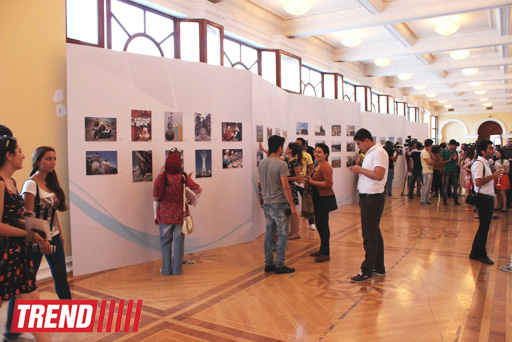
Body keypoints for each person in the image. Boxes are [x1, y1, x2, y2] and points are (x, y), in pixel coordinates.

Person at [0, 135, 52, 342]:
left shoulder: (12, 182)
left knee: (32, 299)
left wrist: (38, 233)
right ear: (8, 155)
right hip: (4, 252)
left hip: (18, 251)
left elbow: (14, 218)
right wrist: (29, 234)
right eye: (19, 151)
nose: (23, 156)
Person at [153, 149, 202, 275]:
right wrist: (193, 201)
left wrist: (155, 215)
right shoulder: (183, 177)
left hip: (164, 216)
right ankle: (176, 270)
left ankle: (165, 269)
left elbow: (155, 198)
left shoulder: (160, 178)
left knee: (165, 243)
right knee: (179, 244)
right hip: (180, 215)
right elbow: (198, 190)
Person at [349, 129, 388, 282]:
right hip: (367, 196)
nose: (359, 147)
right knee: (374, 233)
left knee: (369, 235)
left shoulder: (379, 152)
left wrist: (360, 170)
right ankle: (378, 266)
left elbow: (379, 175)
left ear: (366, 140)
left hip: (373, 197)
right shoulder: (371, 152)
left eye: (359, 144)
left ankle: (367, 270)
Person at [258, 135, 297, 274]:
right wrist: (292, 205)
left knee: (269, 234)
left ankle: (269, 264)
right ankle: (280, 264)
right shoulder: (281, 164)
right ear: (280, 147)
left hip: (267, 203)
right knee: (282, 234)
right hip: (279, 204)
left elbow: (261, 183)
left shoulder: (262, 163)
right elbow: (286, 187)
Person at [469, 140, 501, 265]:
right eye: (490, 148)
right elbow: (478, 182)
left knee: (484, 227)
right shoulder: (478, 164)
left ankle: (475, 252)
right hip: (483, 198)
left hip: (488, 197)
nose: (493, 151)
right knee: (484, 227)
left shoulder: (486, 163)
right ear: (483, 151)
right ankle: (481, 253)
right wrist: (493, 176)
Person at [307, 143, 336, 262]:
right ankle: (322, 249)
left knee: (323, 225)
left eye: (319, 152)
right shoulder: (316, 165)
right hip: (318, 198)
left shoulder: (326, 166)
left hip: (324, 199)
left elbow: (329, 184)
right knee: (319, 224)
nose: (316, 154)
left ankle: (326, 252)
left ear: (326, 154)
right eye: (315, 151)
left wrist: (313, 183)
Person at [295, 138, 316, 230]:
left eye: (298, 143)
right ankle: (294, 225)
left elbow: (311, 168)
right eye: (295, 143)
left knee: (307, 201)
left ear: (303, 146)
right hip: (293, 181)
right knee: (291, 202)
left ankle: (311, 222)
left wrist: (306, 177)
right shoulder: (291, 155)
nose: (296, 145)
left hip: (303, 182)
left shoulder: (307, 156)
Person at [285, 143, 302, 240]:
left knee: (294, 210)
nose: (285, 149)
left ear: (290, 150)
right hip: (288, 186)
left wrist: (287, 178)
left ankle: (296, 232)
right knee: (292, 210)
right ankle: (293, 231)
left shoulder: (294, 162)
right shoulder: (287, 160)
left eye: (287, 147)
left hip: (291, 187)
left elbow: (298, 178)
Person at [441, 139, 460, 205]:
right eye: (454, 146)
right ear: (450, 145)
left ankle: (456, 200)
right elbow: (441, 161)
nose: (455, 147)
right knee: (445, 185)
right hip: (447, 170)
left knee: (455, 186)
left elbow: (457, 162)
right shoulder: (444, 151)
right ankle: (444, 200)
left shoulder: (455, 152)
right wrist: (448, 160)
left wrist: (455, 159)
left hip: (454, 170)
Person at [493, 148, 510, 212]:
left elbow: (507, 171)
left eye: (497, 153)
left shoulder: (505, 161)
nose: (496, 154)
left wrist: (498, 168)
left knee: (502, 192)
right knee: (497, 192)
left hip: (503, 177)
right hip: (497, 177)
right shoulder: (497, 161)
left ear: (501, 153)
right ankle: (498, 205)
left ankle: (504, 207)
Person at [420, 139, 434, 206]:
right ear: (429, 145)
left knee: (429, 187)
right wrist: (432, 162)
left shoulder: (428, 152)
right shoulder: (424, 152)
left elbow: (434, 159)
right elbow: (429, 162)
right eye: (431, 145)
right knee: (425, 186)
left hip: (430, 171)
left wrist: (431, 153)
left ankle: (427, 200)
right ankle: (423, 200)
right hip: (426, 171)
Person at [502, 138, 512, 208]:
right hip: (504, 171)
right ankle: (504, 203)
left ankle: (510, 202)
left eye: (511, 142)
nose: (509, 143)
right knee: (504, 188)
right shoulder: (503, 150)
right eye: (508, 141)